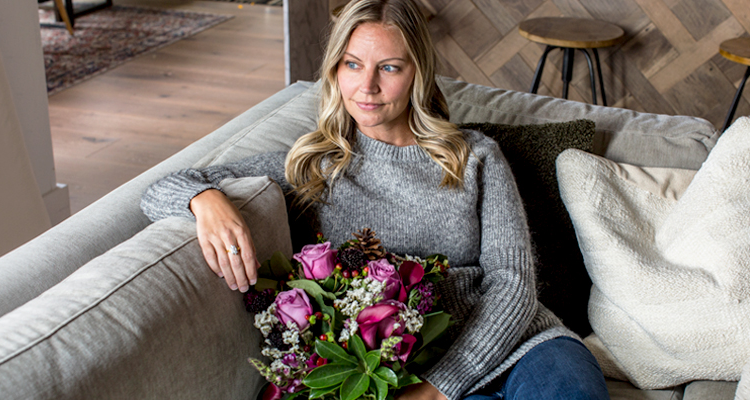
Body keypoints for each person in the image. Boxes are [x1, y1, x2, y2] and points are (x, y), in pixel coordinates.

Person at [141, 0, 609, 399]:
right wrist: (205, 199)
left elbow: (513, 284)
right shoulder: (314, 165)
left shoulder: (473, 157)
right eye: (352, 64)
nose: (367, 87)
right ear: (335, 71)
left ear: (417, 74)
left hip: (519, 346)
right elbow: (158, 189)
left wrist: (441, 387)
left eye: (389, 67)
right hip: (395, 368)